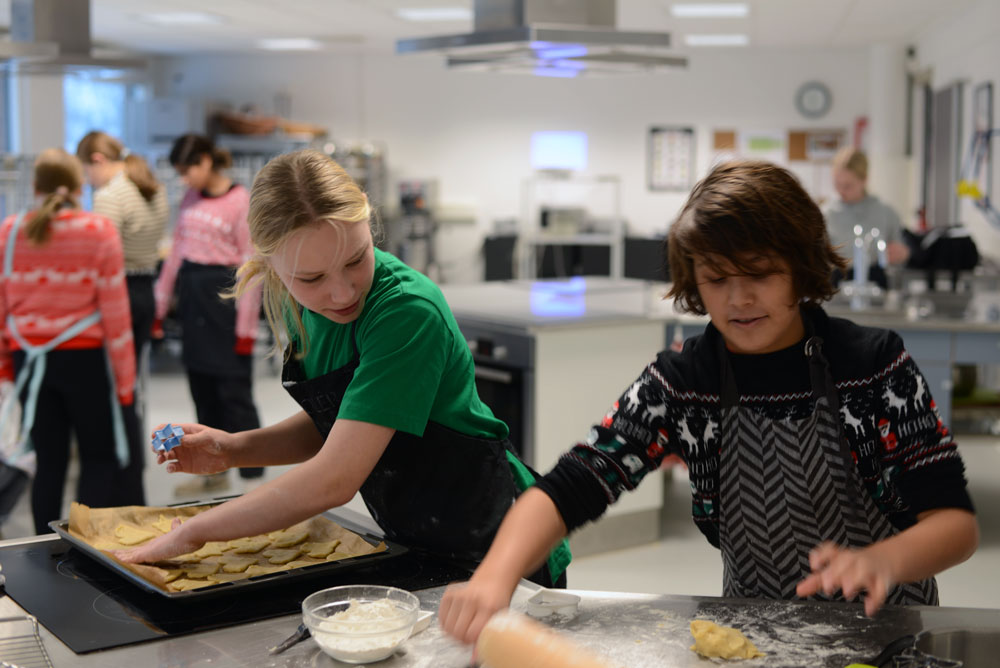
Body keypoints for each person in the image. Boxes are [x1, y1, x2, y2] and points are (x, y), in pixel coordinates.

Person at [439, 160, 979, 646]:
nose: (738, 298)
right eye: (717, 279)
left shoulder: (873, 366)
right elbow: (575, 483)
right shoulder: (684, 381)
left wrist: (883, 560)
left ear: (801, 264)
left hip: (888, 632)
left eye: (761, 273)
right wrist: (493, 576)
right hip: (754, 634)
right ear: (694, 279)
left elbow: (955, 525)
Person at [116, 149, 570, 587]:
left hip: (498, 542)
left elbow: (336, 476)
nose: (341, 293)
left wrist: (195, 530)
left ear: (369, 226)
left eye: (357, 258)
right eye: (311, 279)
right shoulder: (297, 302)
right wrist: (234, 449)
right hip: (418, 538)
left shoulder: (405, 313)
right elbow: (340, 422)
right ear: (268, 262)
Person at [0, 149, 139, 533]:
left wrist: (5, 367)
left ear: (34, 187)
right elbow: (116, 315)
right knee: (98, 458)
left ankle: (45, 547)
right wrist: (125, 385)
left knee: (48, 462)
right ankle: (83, 550)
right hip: (86, 361)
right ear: (80, 187)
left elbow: (2, 305)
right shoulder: (97, 231)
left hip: (30, 360)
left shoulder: (10, 231)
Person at [153, 133, 264, 494]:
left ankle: (252, 478)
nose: (185, 179)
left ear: (205, 161)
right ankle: (214, 469)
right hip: (192, 298)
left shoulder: (239, 201)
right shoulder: (189, 199)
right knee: (201, 387)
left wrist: (246, 328)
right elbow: (175, 255)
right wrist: (160, 304)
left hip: (225, 299)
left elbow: (251, 266)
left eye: (188, 171)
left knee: (233, 390)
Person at [76, 130, 169, 489]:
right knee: (130, 387)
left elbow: (98, 257)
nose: (88, 181)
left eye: (87, 172)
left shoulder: (110, 195)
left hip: (119, 296)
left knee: (111, 389)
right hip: (145, 291)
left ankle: (112, 475)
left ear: (97, 160)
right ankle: (132, 476)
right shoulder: (151, 187)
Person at [825, 147, 910, 288]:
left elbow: (900, 254)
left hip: (876, 282)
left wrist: (903, 254)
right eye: (837, 184)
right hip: (837, 283)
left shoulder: (885, 213)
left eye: (848, 185)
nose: (841, 191)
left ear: (864, 179)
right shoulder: (826, 214)